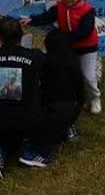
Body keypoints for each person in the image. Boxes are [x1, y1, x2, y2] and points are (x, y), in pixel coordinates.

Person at [21, 0, 102, 114]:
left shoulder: (87, 10)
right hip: (68, 47)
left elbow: (85, 31)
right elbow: (46, 17)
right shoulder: (59, 7)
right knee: (69, 74)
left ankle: (95, 98)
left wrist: (63, 39)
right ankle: (75, 98)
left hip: (87, 47)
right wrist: (31, 20)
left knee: (88, 76)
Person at [0, 16, 46, 178]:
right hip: (27, 121)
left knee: (4, 137)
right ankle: (13, 149)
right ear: (22, 34)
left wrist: (0, 40)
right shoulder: (35, 56)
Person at [30, 30, 84, 159]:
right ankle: (68, 126)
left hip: (50, 106)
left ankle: (60, 128)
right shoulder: (74, 61)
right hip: (72, 106)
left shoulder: (45, 61)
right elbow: (80, 89)